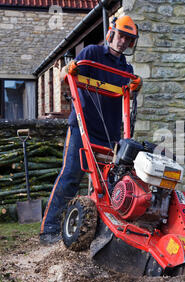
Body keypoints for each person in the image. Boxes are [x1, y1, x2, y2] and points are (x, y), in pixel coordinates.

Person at [39, 15, 143, 245]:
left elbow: (129, 95)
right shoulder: (92, 54)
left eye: (128, 39)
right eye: (121, 36)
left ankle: (104, 232)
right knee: (71, 175)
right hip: (82, 128)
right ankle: (50, 230)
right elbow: (66, 75)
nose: (123, 42)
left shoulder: (126, 68)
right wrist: (70, 68)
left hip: (110, 135)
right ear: (111, 34)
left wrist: (135, 87)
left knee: (110, 184)